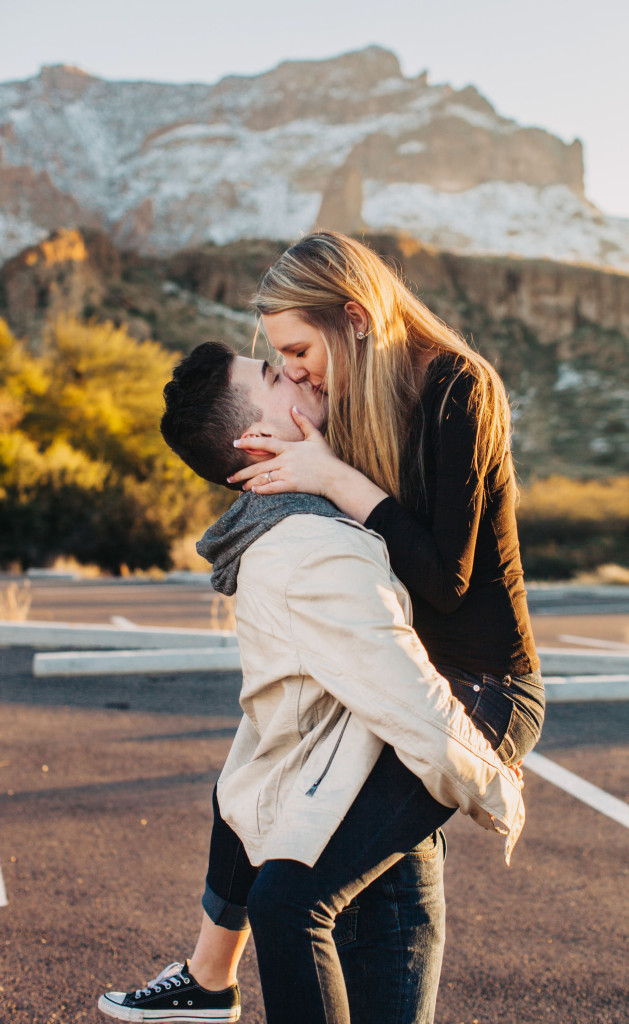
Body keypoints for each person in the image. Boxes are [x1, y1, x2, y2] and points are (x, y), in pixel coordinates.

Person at [98, 342, 525, 1024]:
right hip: (370, 807)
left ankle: (206, 986)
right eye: (275, 374)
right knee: (294, 909)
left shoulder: (285, 527)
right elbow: (406, 697)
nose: (294, 369)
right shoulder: (318, 547)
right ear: (258, 440)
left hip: (344, 799)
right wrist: (496, 786)